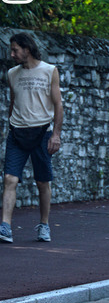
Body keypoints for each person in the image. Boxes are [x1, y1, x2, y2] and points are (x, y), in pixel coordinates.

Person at [1, 32, 63, 243]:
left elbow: (58, 105)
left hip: (41, 133)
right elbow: (13, 102)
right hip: (17, 132)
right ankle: (5, 227)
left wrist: (56, 134)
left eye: (15, 50)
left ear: (27, 49)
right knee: (10, 179)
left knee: (42, 182)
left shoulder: (49, 71)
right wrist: (9, 125)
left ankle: (44, 225)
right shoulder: (12, 73)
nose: (12, 54)